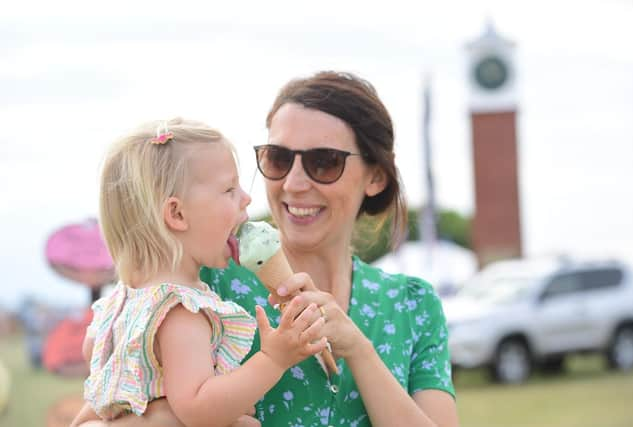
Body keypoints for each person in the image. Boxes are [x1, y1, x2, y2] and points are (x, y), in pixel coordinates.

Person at [102, 71, 458, 427]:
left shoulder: (412, 305)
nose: (294, 182)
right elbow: (95, 415)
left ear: (376, 177)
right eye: (278, 158)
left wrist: (358, 349)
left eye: (324, 162)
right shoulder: (196, 284)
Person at [70, 118, 328, 427]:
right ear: (177, 214)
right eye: (230, 189)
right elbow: (198, 408)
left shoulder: (119, 304)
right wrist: (274, 359)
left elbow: (98, 402)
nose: (246, 198)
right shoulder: (181, 310)